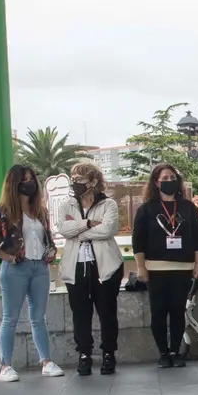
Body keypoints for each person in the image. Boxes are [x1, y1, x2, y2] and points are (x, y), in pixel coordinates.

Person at [0, 164, 63, 382]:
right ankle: (5, 365)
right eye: (24, 180)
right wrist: (9, 258)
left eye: (32, 179)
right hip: (15, 268)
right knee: (10, 318)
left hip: (39, 267)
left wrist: (50, 257)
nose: (29, 183)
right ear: (14, 184)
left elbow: (47, 237)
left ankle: (46, 361)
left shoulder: (40, 211)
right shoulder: (1, 211)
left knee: (39, 317)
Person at [132, 163, 198, 368]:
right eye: (164, 179)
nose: (169, 182)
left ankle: (175, 351)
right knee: (159, 311)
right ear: (156, 182)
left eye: (172, 178)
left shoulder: (189, 207)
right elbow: (138, 240)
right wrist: (141, 267)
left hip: (182, 267)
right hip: (155, 268)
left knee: (177, 311)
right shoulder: (146, 209)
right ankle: (163, 353)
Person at [57, 161, 123, 376]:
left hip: (105, 267)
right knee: (80, 313)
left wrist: (78, 232)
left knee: (106, 311)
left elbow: (108, 230)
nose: (75, 183)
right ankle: (84, 353)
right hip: (76, 266)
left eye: (80, 180)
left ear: (93, 182)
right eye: (73, 179)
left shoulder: (108, 204)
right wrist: (87, 224)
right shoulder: (66, 205)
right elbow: (63, 230)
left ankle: (108, 353)